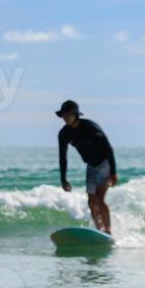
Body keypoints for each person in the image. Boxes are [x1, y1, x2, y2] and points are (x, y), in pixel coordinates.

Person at [55, 99, 119, 234]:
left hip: (104, 163)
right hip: (91, 166)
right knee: (91, 202)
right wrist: (63, 179)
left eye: (68, 114)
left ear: (75, 114)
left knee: (100, 198)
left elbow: (108, 148)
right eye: (63, 115)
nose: (65, 118)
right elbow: (62, 157)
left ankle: (108, 230)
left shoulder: (90, 126)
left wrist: (113, 172)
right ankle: (100, 230)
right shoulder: (64, 134)